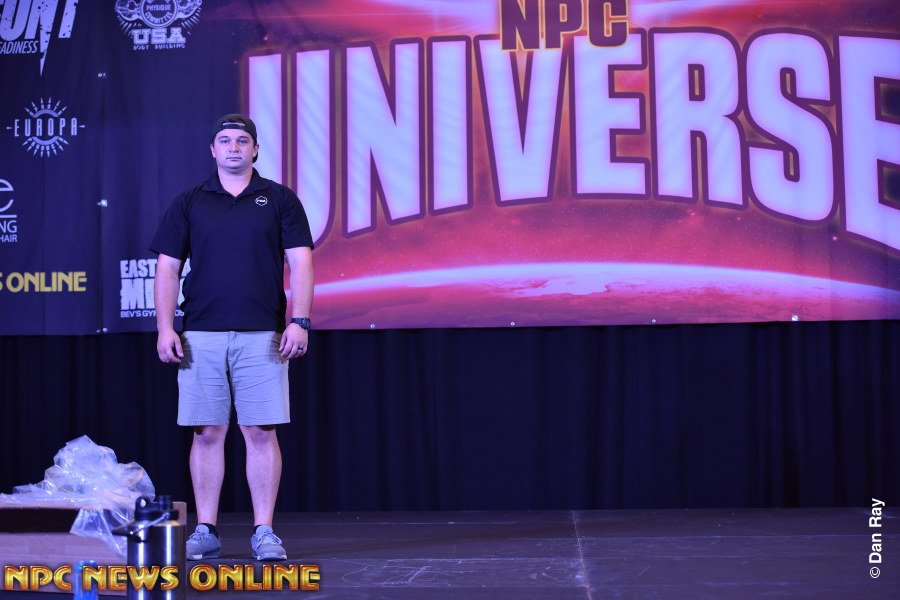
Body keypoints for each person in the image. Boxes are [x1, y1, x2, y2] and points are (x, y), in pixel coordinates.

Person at [150, 114, 314, 561]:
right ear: (213, 150)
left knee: (260, 431)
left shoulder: (279, 198)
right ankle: (206, 529)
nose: (234, 147)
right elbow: (167, 267)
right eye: (225, 140)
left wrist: (299, 320)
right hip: (200, 334)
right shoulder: (190, 201)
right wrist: (165, 327)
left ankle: (265, 531)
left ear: (256, 149)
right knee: (207, 433)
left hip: (263, 333)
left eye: (242, 140)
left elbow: (301, 261)